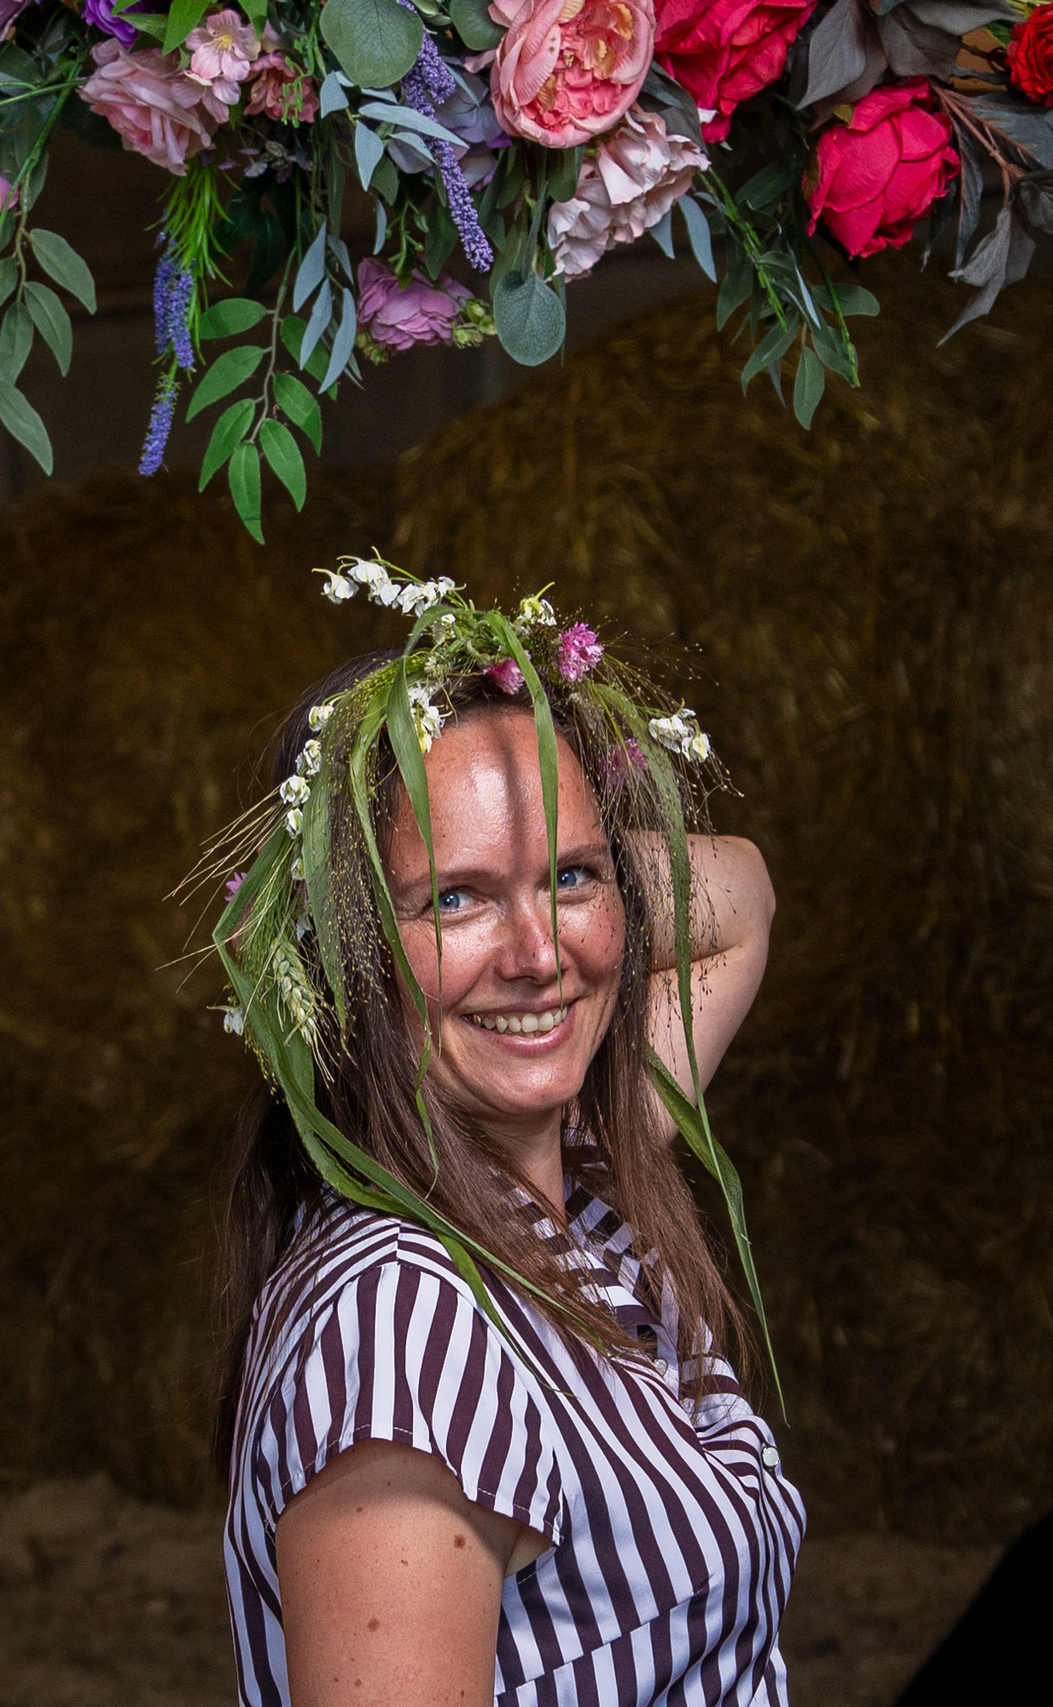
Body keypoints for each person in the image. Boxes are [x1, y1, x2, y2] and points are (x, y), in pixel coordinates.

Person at [207, 563, 798, 1707]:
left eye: (572, 880)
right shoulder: (403, 1325)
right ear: (344, 950)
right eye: (453, 899)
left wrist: (557, 890)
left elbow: (742, 894)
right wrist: (554, 889)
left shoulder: (575, 1184)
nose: (537, 956)